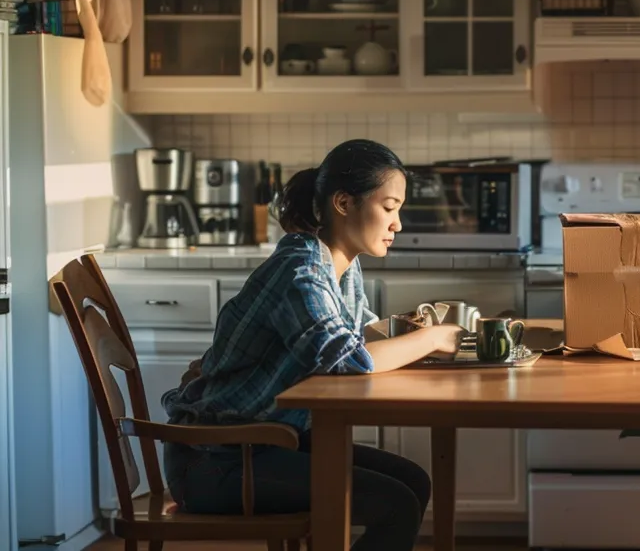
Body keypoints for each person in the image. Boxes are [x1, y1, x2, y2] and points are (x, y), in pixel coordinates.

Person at [161, 139, 467, 551]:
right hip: (219, 459)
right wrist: (433, 337)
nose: (398, 224)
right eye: (390, 207)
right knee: (395, 504)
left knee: (414, 482)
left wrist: (414, 329)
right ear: (343, 203)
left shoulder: (340, 265)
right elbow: (349, 360)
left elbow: (358, 336)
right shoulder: (301, 270)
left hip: (268, 442)